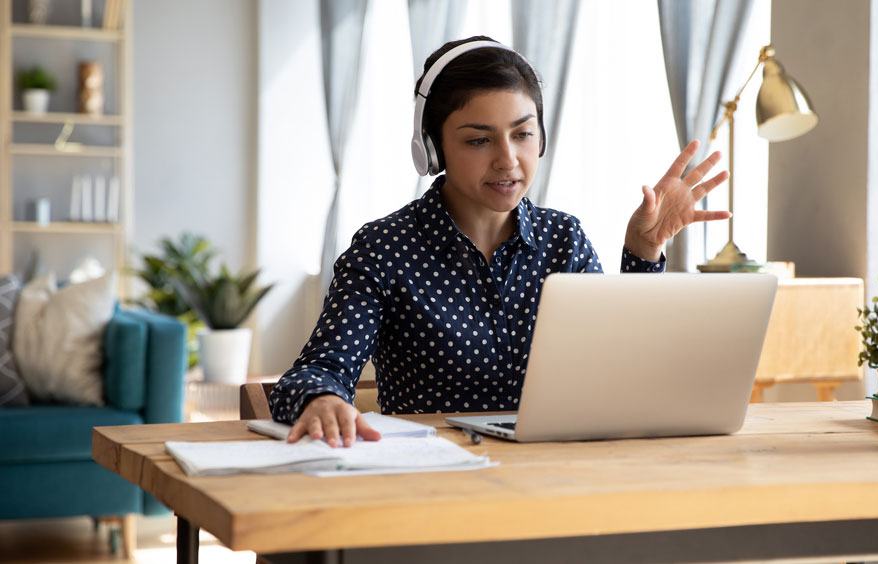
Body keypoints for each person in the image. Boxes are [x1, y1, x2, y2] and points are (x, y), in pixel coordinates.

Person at [269, 36, 730, 447]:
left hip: (556, 478)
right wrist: (323, 399)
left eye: (523, 133)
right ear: (432, 149)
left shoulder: (562, 239)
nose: (508, 160)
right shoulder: (385, 248)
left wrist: (643, 252)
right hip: (432, 482)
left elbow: (626, 369)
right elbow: (315, 371)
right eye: (478, 141)